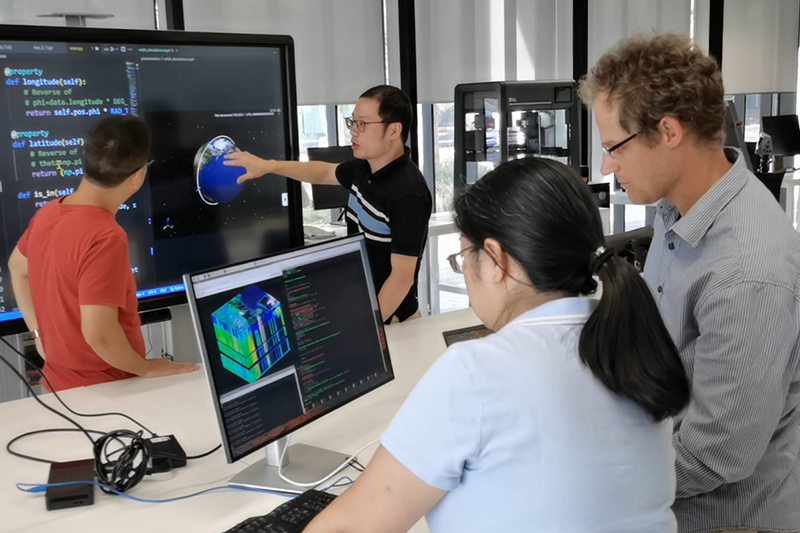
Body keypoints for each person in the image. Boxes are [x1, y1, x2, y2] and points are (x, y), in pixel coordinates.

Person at [303, 157, 691, 533]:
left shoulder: (475, 371)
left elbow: (351, 526)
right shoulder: (628, 340)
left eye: (462, 257)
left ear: (494, 260)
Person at [579, 32, 800, 533]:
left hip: (725, 516)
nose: (607, 166)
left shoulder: (745, 272)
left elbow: (717, 455)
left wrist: (594, 477)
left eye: (614, 147)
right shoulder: (677, 209)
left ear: (670, 132)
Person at [8, 116, 197, 392]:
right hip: (107, 392)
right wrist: (145, 367)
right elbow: (99, 335)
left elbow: (16, 268)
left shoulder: (48, 213)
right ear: (138, 176)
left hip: (58, 386)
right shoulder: (105, 236)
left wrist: (37, 333)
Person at [225, 85, 432, 323]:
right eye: (352, 122)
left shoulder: (408, 193)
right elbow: (323, 172)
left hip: (391, 318)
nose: (353, 131)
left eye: (362, 124)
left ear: (394, 130)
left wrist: (369, 328)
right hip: (362, 305)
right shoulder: (364, 167)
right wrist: (269, 166)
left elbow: (402, 278)